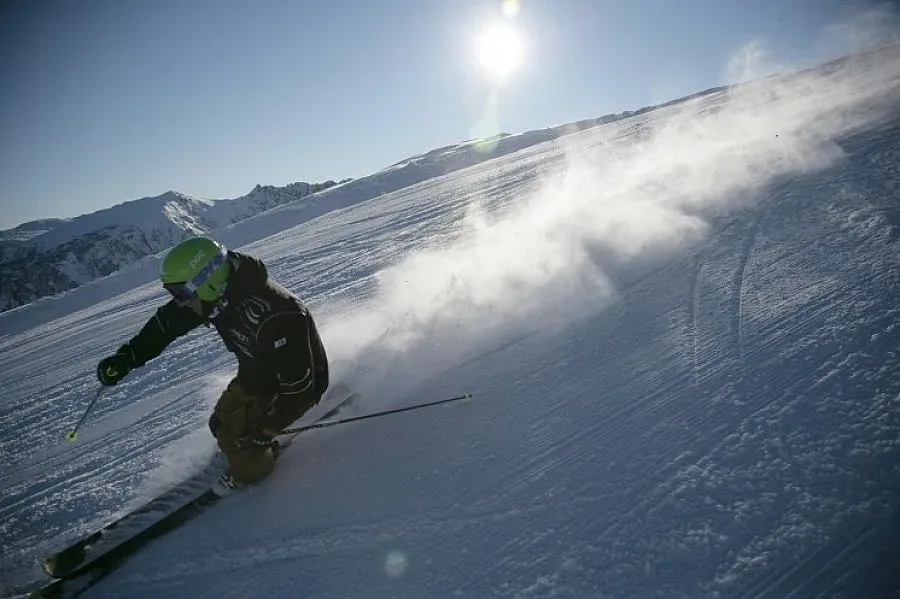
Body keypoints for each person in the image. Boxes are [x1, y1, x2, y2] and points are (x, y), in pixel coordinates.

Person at [96, 236, 329, 494]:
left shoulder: (278, 316)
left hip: (295, 385)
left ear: (207, 281)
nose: (181, 302)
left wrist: (265, 430)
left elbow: (300, 390)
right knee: (218, 424)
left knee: (244, 451)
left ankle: (252, 466)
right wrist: (129, 356)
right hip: (256, 375)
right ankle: (244, 442)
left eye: (181, 293)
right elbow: (167, 324)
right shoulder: (217, 297)